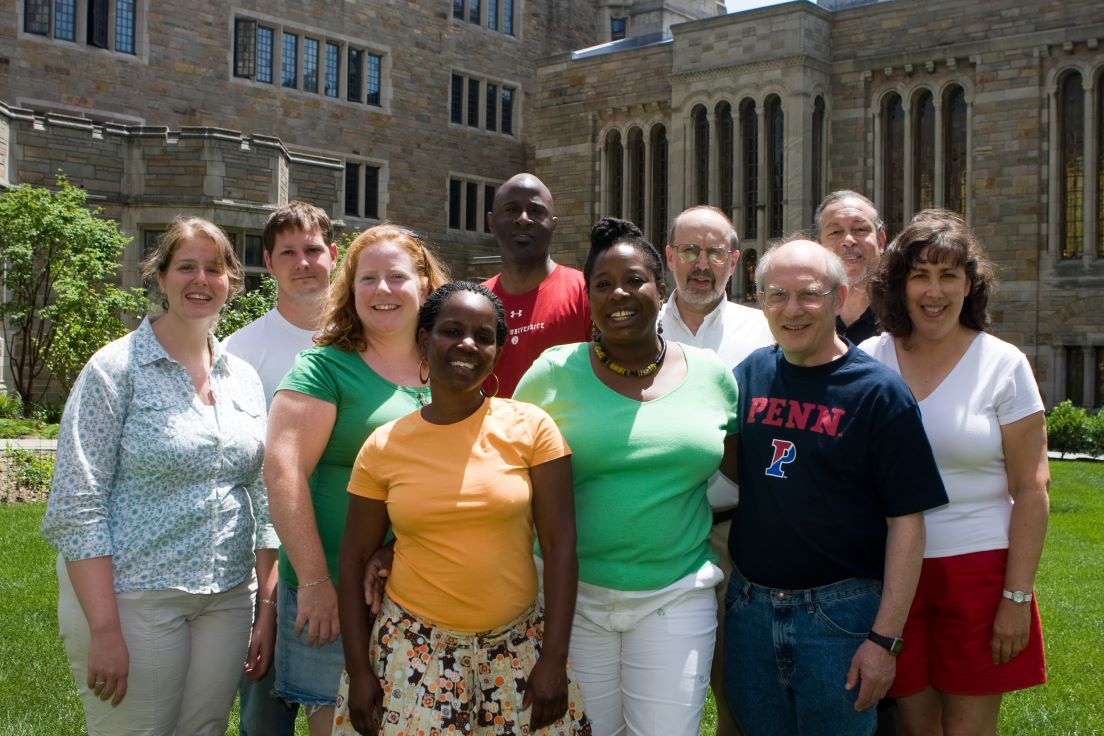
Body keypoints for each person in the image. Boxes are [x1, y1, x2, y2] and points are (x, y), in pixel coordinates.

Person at [41, 216, 279, 735]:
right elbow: (78, 504)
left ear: (232, 281)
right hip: (135, 595)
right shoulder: (116, 370)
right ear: (161, 276)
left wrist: (265, 605)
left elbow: (261, 497)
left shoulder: (242, 377)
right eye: (185, 267)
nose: (200, 280)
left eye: (213, 269)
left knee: (205, 728)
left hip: (226, 596)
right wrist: (104, 628)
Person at [332, 281, 591, 735]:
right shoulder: (384, 446)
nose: (467, 344)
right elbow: (354, 559)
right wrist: (359, 671)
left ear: (496, 351)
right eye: (451, 330)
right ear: (424, 340)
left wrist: (553, 658)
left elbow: (560, 543)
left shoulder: (531, 428)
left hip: (517, 648)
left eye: (484, 336)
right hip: (413, 651)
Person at [514, 217, 740, 735]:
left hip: (675, 594)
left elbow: (748, 471)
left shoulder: (712, 375)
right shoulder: (553, 372)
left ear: (661, 289)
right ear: (588, 298)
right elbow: (498, 468)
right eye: (603, 283)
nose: (620, 292)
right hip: (574, 597)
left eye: (635, 279)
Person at [725, 239, 949, 735]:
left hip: (839, 617)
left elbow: (908, 522)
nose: (792, 309)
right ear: (760, 301)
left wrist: (884, 640)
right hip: (751, 610)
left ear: (839, 296)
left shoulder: (879, 394)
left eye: (808, 294)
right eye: (775, 294)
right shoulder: (749, 375)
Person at [861, 211, 1049, 735]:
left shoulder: (1003, 364)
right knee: (917, 727)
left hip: (980, 574)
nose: (933, 291)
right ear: (899, 285)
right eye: (919, 274)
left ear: (970, 284)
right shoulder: (870, 360)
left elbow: (1032, 489)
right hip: (893, 574)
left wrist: (1016, 596)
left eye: (948, 275)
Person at [264, 224, 449, 735]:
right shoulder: (325, 368)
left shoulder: (451, 366)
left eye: (396, 276)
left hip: (426, 591)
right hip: (333, 591)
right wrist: (316, 583)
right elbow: (283, 472)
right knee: (343, 723)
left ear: (426, 286)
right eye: (368, 279)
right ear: (350, 289)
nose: (382, 290)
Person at [223, 201, 338, 735]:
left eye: (313, 249)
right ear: (267, 263)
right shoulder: (238, 351)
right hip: (262, 562)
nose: (303, 262)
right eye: (287, 252)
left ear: (334, 256)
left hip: (342, 552)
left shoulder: (361, 343)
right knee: (264, 717)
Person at [660, 204, 773, 736]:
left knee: (738, 687)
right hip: (655, 534)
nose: (700, 265)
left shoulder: (764, 331)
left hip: (736, 533)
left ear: (734, 261)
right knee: (659, 684)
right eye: (689, 251)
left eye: (713, 253)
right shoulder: (637, 324)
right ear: (669, 257)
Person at [483, 172, 591, 397]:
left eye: (536, 210)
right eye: (512, 209)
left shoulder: (586, 293)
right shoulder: (476, 302)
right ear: (491, 221)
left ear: (553, 224)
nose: (523, 218)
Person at [815, 190, 887, 344]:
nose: (848, 240)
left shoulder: (906, 316)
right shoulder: (808, 321)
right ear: (819, 247)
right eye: (835, 232)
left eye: (860, 229)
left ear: (881, 241)